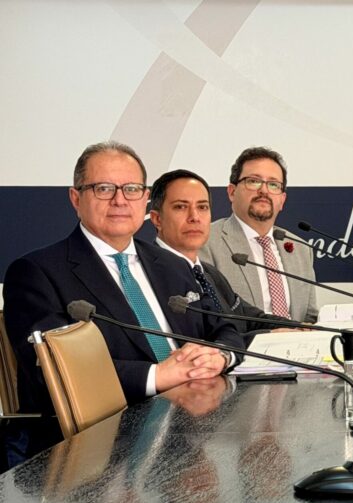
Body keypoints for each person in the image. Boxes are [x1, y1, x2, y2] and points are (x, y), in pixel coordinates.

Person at [3, 142, 243, 465]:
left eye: (131, 189)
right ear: (76, 198)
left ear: (145, 199)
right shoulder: (36, 272)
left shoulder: (171, 264)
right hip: (95, 453)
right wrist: (157, 376)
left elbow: (225, 326)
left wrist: (218, 357)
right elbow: (60, 371)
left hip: (193, 432)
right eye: (103, 188)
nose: (119, 200)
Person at [149, 169, 293, 343]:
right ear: (157, 219)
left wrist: (300, 329)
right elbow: (200, 341)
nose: (194, 217)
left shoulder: (207, 273)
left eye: (202, 207)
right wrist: (267, 337)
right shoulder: (150, 273)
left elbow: (249, 319)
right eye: (181, 207)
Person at [199, 147, 318, 323]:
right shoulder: (206, 242)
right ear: (232, 192)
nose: (264, 190)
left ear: (282, 200)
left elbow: (310, 316)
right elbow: (210, 319)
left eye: (273, 184)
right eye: (254, 181)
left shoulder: (300, 248)